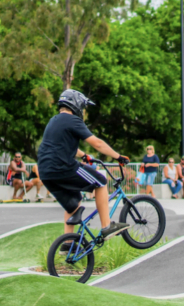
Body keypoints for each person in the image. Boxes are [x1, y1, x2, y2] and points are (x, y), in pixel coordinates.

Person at [35, 89, 131, 237]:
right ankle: (106, 226)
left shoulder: (53, 121)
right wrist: (118, 157)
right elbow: (97, 144)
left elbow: (61, 146)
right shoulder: (73, 120)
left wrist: (84, 155)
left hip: (46, 173)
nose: (83, 112)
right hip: (63, 167)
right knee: (100, 182)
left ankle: (68, 243)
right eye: (83, 108)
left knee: (73, 204)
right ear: (77, 105)